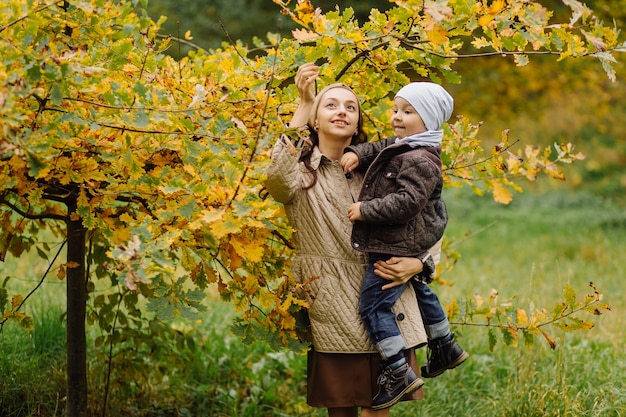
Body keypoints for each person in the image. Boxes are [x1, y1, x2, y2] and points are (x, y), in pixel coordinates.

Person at [264, 63, 440, 417]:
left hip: (387, 295)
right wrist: (303, 102)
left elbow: (429, 218)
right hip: (332, 304)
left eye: (350, 106)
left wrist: (420, 263)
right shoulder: (301, 171)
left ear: (359, 122)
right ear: (315, 119)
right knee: (340, 409)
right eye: (330, 105)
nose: (341, 111)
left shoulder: (386, 166)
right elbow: (275, 179)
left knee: (381, 407)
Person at [340, 82, 468, 410]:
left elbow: (408, 202)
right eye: (396, 109)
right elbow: (383, 147)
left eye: (408, 112)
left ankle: (397, 370)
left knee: (374, 305)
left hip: (397, 242)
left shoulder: (421, 159)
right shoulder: (408, 145)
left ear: (428, 119)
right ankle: (445, 344)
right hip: (406, 239)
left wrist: (365, 211)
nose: (397, 117)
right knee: (418, 288)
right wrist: (357, 152)